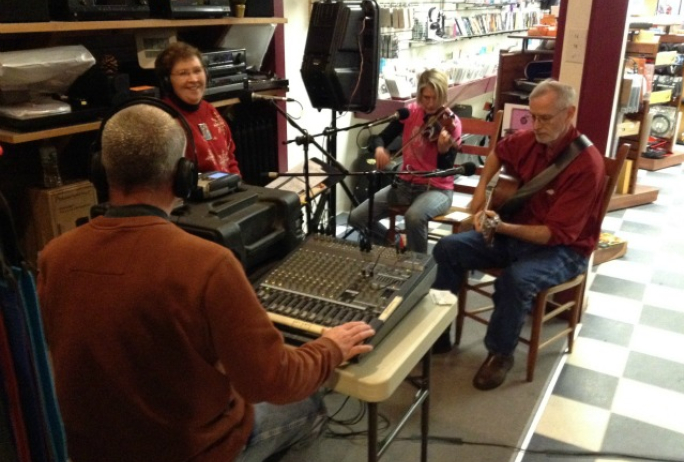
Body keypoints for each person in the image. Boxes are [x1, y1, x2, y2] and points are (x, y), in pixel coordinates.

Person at [37, 104, 375, 462]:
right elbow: (273, 381)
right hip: (189, 452)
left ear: (100, 172)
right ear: (183, 175)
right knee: (310, 404)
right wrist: (329, 349)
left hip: (92, 451)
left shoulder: (53, 257)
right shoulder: (208, 264)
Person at [432, 79, 606, 391]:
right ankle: (439, 331)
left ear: (569, 114)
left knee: (515, 280)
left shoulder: (586, 166)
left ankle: (500, 354)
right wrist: (480, 195)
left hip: (563, 250)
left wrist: (499, 226)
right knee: (447, 248)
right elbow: (498, 152)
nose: (536, 126)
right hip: (514, 233)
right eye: (532, 116)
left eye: (545, 118)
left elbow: (554, 234)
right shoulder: (528, 140)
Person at [348, 68, 462, 254]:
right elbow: (379, 138)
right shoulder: (410, 113)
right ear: (419, 95)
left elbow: (445, 168)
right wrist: (379, 149)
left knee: (414, 217)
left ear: (443, 95)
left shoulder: (451, 123)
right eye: (426, 97)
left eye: (435, 97)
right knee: (356, 217)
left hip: (436, 189)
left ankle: (416, 269)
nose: (431, 103)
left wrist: (443, 150)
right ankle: (395, 244)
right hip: (404, 185)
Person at [155, 41, 241, 175]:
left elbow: (229, 159)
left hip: (228, 191)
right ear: (167, 81)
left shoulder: (210, 110)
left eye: (197, 70)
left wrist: (240, 188)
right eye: (183, 73)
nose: (193, 79)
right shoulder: (163, 121)